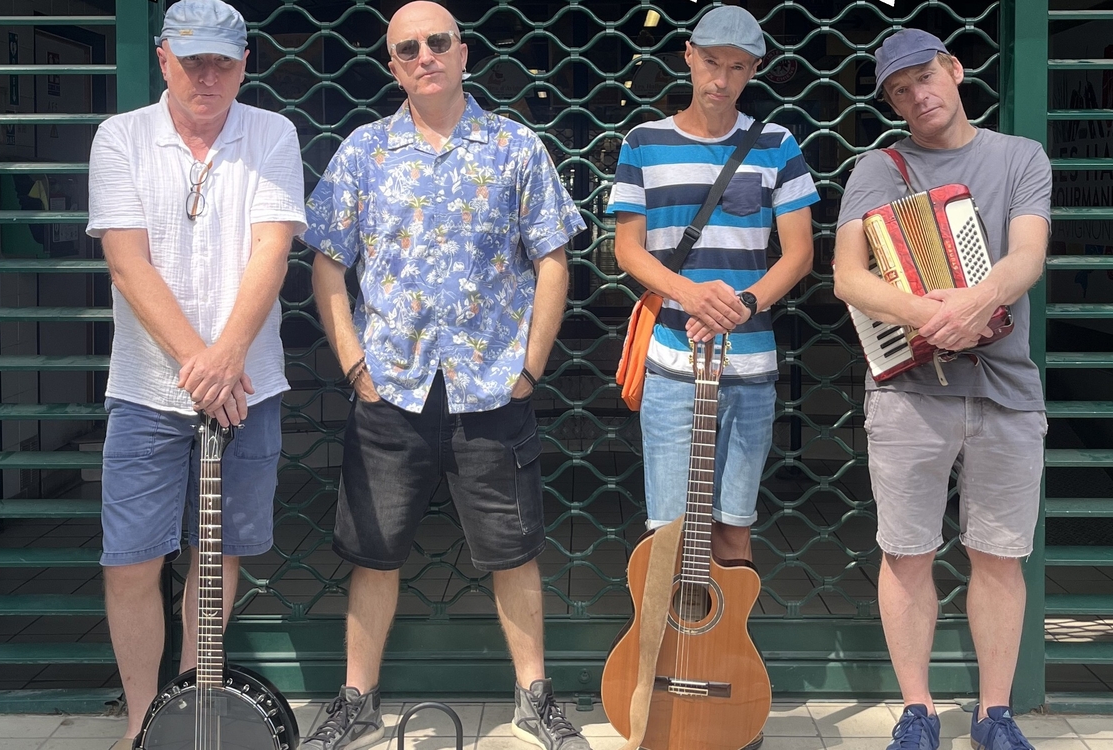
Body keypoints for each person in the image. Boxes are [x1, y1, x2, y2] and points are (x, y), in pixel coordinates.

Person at [301, 3, 588, 749]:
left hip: (491, 388)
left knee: (514, 551)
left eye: (437, 41)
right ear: (393, 65)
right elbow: (327, 262)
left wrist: (531, 366)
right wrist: (354, 363)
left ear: (462, 52)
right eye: (407, 48)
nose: (424, 55)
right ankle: (355, 699)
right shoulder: (364, 153)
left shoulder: (516, 148)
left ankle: (535, 698)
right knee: (373, 552)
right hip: (391, 386)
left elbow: (552, 256)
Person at [85, 1, 305, 748]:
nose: (208, 75)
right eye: (194, 59)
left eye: (224, 61)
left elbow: (271, 251)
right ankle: (146, 721)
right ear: (163, 58)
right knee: (131, 561)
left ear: (244, 64)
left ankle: (196, 704)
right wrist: (201, 365)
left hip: (248, 384)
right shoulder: (121, 137)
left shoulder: (271, 133)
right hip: (149, 389)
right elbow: (126, 260)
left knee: (217, 557)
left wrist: (227, 358)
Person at [832, 29, 1051, 750]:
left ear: (955, 71)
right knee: (907, 554)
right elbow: (849, 277)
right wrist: (930, 315)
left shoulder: (1020, 158)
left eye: (925, 76)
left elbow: (1027, 256)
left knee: (998, 556)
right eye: (899, 89)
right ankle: (918, 710)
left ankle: (994, 715)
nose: (917, 95)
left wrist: (974, 304)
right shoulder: (877, 168)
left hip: (1006, 389)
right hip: (908, 394)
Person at [607, 6, 817, 561]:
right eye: (711, 62)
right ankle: (666, 649)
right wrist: (690, 293)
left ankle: (722, 650)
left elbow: (799, 254)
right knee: (669, 534)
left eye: (738, 67)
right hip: (673, 360)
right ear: (689, 58)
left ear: (755, 70)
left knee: (733, 529)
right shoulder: (643, 142)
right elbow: (626, 249)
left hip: (750, 363)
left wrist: (745, 303)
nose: (721, 80)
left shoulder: (777, 144)